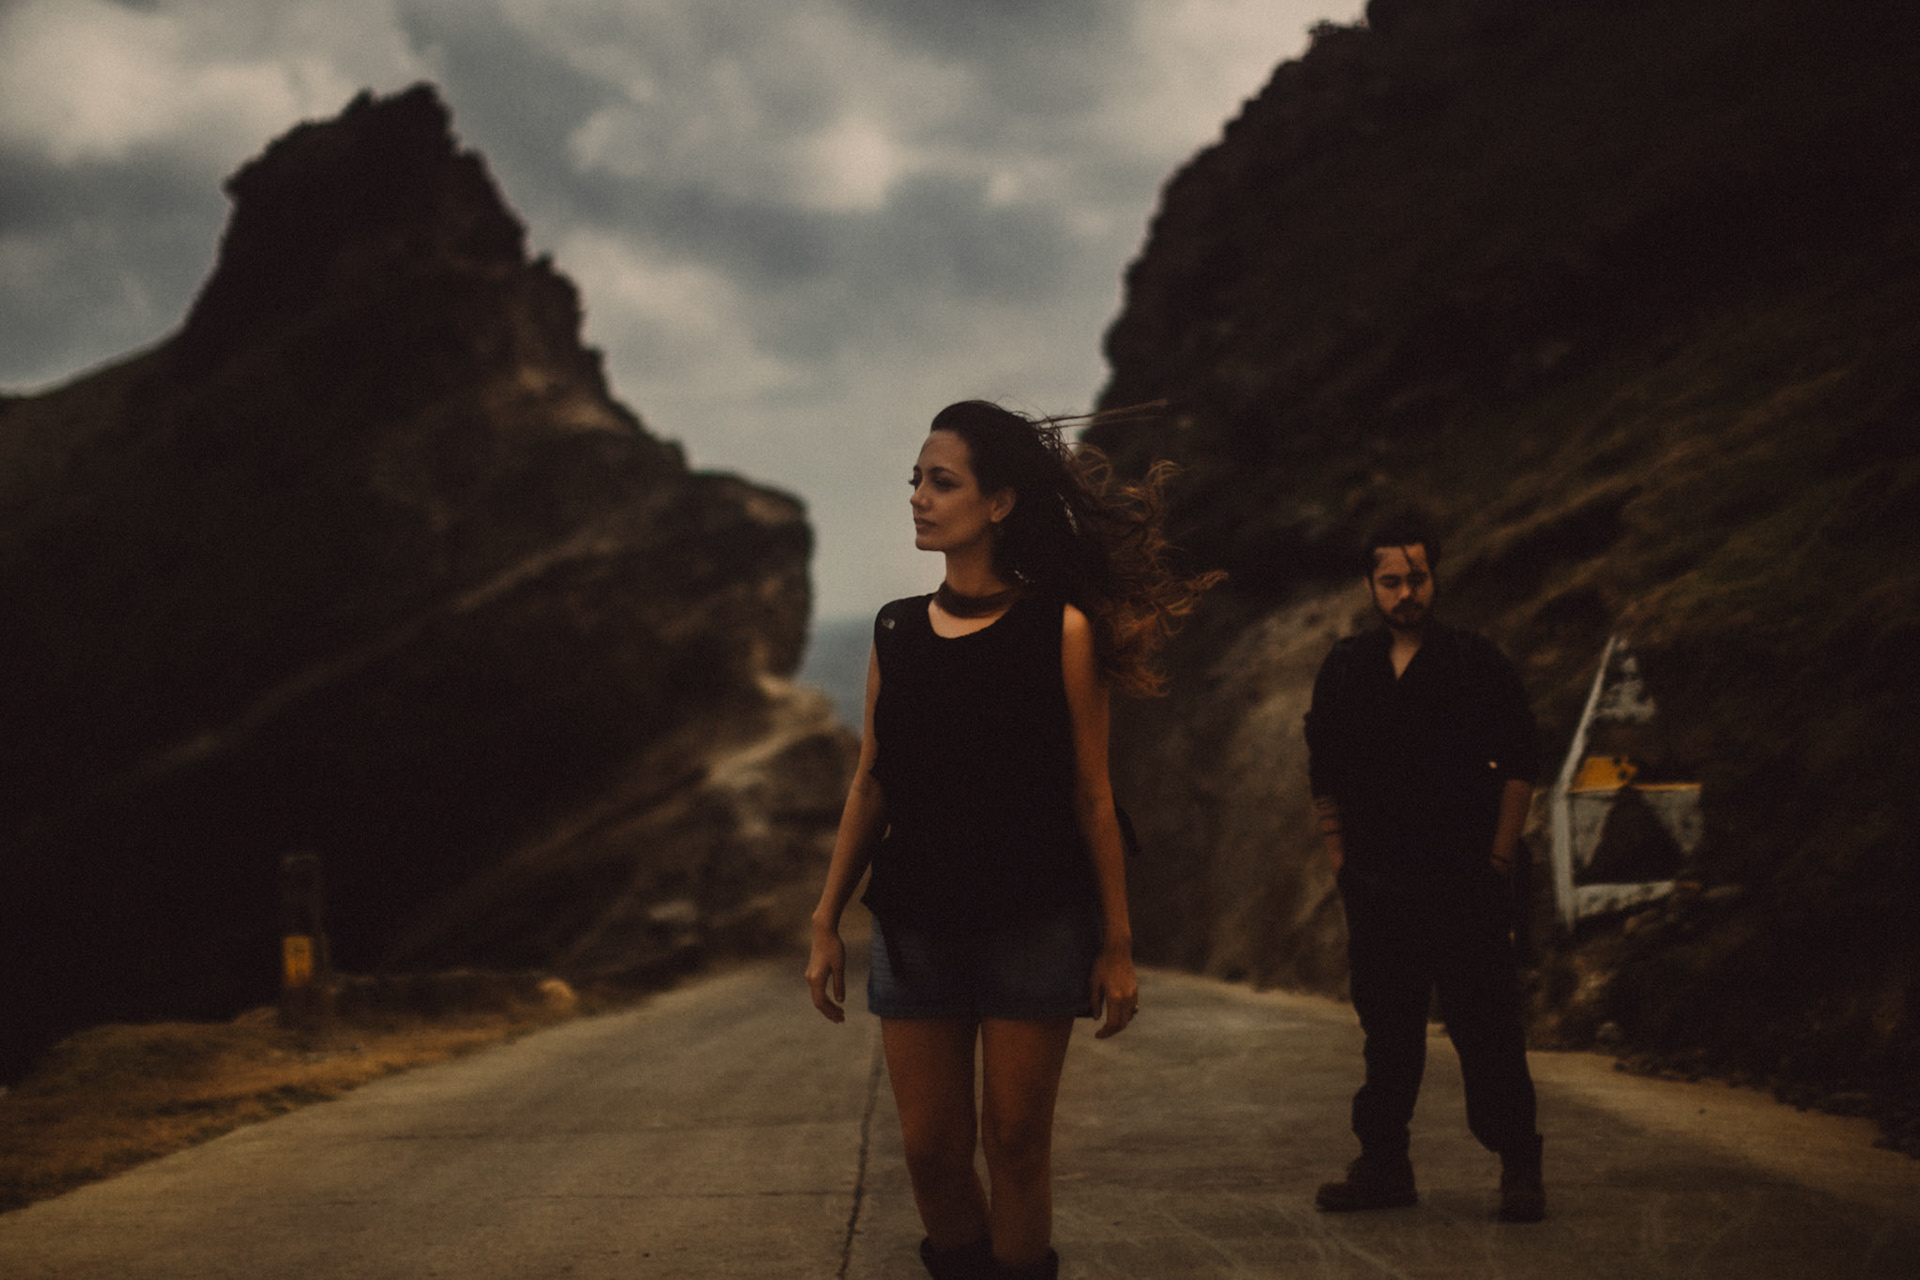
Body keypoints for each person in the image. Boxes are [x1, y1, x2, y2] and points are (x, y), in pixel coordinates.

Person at [807, 400, 1218, 1279]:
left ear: (998, 504)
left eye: (941, 481)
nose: (918, 496)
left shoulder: (1060, 630)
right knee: (929, 1152)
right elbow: (873, 779)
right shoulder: (894, 629)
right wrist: (824, 918)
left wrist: (1117, 942)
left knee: (1019, 1144)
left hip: (1036, 921)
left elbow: (1091, 794)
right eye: (915, 480)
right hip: (914, 923)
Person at [1302, 515, 1547, 1223]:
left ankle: (1519, 1167)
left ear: (1435, 579)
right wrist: (1343, 863)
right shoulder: (1346, 668)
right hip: (1379, 889)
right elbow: (1325, 772)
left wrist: (1498, 860)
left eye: (1416, 578)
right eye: (1391, 580)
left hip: (1466, 882)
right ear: (1371, 585)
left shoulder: (1476, 662)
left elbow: (1521, 766)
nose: (1405, 591)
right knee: (1389, 1030)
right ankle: (1384, 1165)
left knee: (1488, 1026)